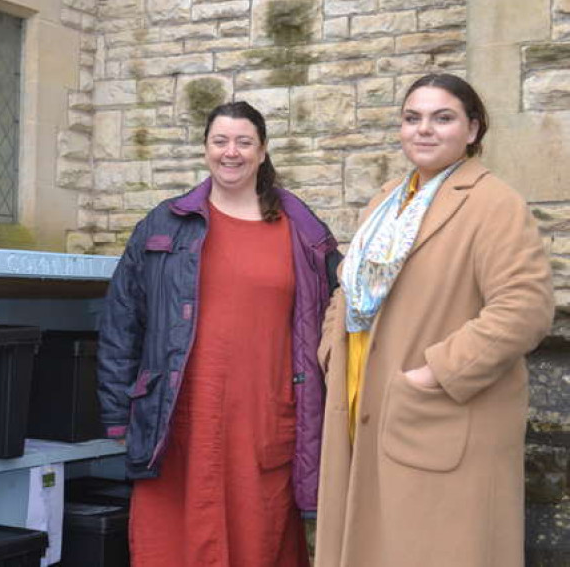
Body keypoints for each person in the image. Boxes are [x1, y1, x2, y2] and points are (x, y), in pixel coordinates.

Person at [314, 73, 555, 567]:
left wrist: (436, 373)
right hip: (363, 393)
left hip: (438, 410)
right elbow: (348, 283)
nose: (423, 129)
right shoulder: (386, 200)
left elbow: (525, 308)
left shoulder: (493, 203)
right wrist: (331, 348)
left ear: (472, 130)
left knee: (433, 548)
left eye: (442, 118)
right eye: (412, 118)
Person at [97, 101, 342, 567]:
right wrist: (116, 413)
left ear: (263, 150)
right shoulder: (164, 224)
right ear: (206, 148)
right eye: (220, 141)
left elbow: (338, 317)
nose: (232, 152)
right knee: (170, 546)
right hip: (178, 421)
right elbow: (121, 321)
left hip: (265, 422)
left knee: (260, 543)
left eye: (244, 142)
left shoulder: (303, 233)